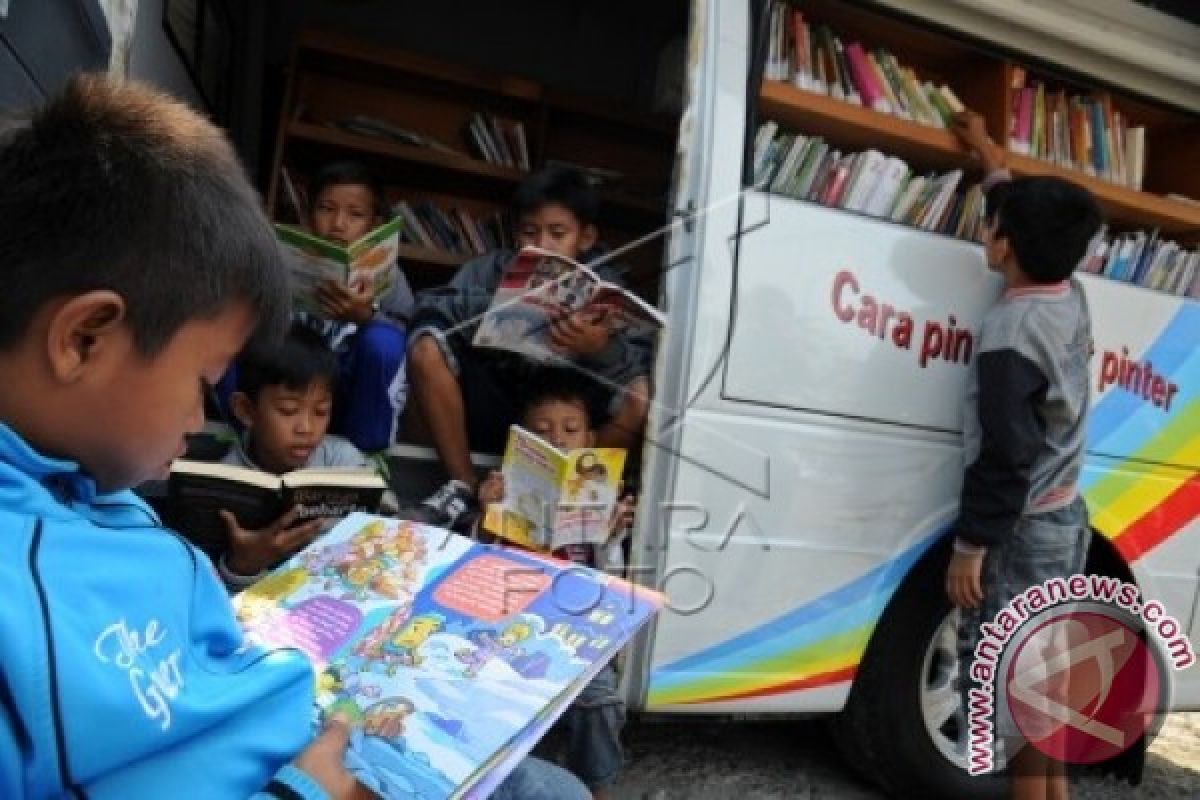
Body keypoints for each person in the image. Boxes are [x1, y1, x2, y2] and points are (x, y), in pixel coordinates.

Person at [0, 74, 586, 800]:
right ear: (85, 337)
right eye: (201, 380)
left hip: (326, 720)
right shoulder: (20, 594)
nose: (195, 418)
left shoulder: (87, 491)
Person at [948, 111, 1102, 800]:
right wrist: (988, 157)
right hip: (1066, 518)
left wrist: (972, 546)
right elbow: (1024, 223)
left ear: (1003, 245)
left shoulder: (1011, 330)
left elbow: (1007, 454)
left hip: (1020, 530)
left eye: (993, 224)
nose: (987, 232)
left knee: (1008, 684)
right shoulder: (1071, 293)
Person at [408, 165, 653, 529]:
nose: (542, 244)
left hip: (567, 423)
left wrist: (599, 347)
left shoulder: (607, 288)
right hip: (493, 405)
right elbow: (429, 312)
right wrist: (502, 310)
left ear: (585, 237)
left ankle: (572, 499)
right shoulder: (487, 270)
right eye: (529, 231)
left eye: (558, 233)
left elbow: (639, 363)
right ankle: (464, 487)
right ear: (514, 232)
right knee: (425, 348)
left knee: (640, 398)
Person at [477, 370, 635, 799]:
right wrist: (487, 516)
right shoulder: (503, 487)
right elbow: (479, 567)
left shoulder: (599, 495)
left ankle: (598, 788)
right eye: (542, 432)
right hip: (514, 622)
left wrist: (610, 536)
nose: (559, 439)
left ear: (589, 440)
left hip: (577, 628)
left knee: (600, 702)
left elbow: (611, 585)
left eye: (571, 430)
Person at [215, 161, 414, 454]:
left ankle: (363, 457)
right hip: (281, 383)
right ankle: (250, 440)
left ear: (375, 224)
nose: (338, 224)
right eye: (326, 209)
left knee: (383, 340)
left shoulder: (391, 278)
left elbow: (399, 353)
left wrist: (366, 318)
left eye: (355, 214)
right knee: (227, 329)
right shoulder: (279, 261)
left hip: (345, 392)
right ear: (309, 215)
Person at [215, 321, 373, 590]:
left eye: (321, 411)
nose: (306, 428)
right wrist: (244, 565)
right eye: (288, 411)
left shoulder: (342, 462)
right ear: (245, 410)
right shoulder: (225, 482)